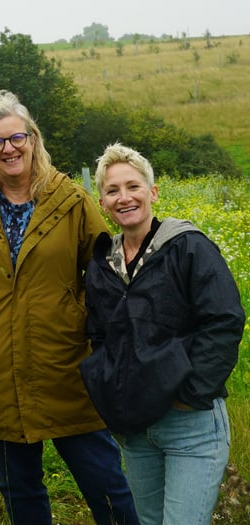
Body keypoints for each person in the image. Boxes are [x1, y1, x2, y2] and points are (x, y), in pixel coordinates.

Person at [0, 90, 140, 525]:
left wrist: (79, 318)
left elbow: (106, 272)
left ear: (33, 140)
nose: (9, 148)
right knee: (20, 492)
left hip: (66, 366)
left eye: (16, 137)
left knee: (105, 485)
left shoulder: (72, 202)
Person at [81, 142, 245, 525]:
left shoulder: (188, 247)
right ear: (102, 202)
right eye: (112, 190)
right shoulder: (103, 267)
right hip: (137, 432)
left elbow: (224, 323)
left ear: (152, 192)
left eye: (133, 186)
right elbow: (100, 337)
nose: (124, 197)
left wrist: (188, 393)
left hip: (192, 426)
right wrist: (113, 396)